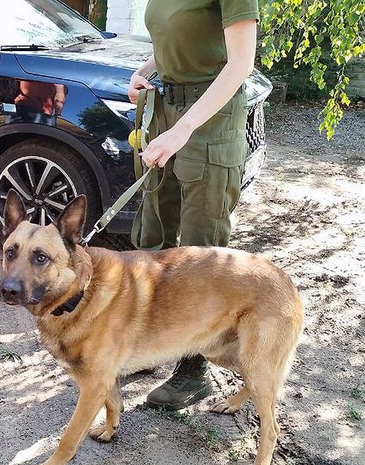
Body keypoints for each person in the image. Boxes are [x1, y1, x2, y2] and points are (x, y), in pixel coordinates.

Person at [127, 0, 259, 410]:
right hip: (164, 111)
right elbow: (176, 38)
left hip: (210, 122)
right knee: (154, 239)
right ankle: (151, 344)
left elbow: (240, 63)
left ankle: (192, 370)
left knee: (201, 252)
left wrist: (183, 130)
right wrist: (143, 71)